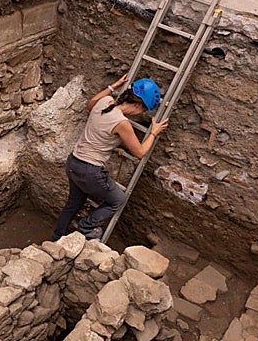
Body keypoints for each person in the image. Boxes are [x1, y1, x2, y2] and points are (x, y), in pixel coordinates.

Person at [51, 74, 170, 241]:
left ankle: (57, 237)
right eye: (143, 110)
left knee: (73, 203)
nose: (140, 114)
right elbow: (140, 152)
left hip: (73, 162)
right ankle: (86, 227)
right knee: (118, 200)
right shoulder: (122, 123)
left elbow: (89, 104)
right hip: (90, 171)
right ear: (137, 105)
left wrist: (114, 86)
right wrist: (153, 133)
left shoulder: (105, 101)